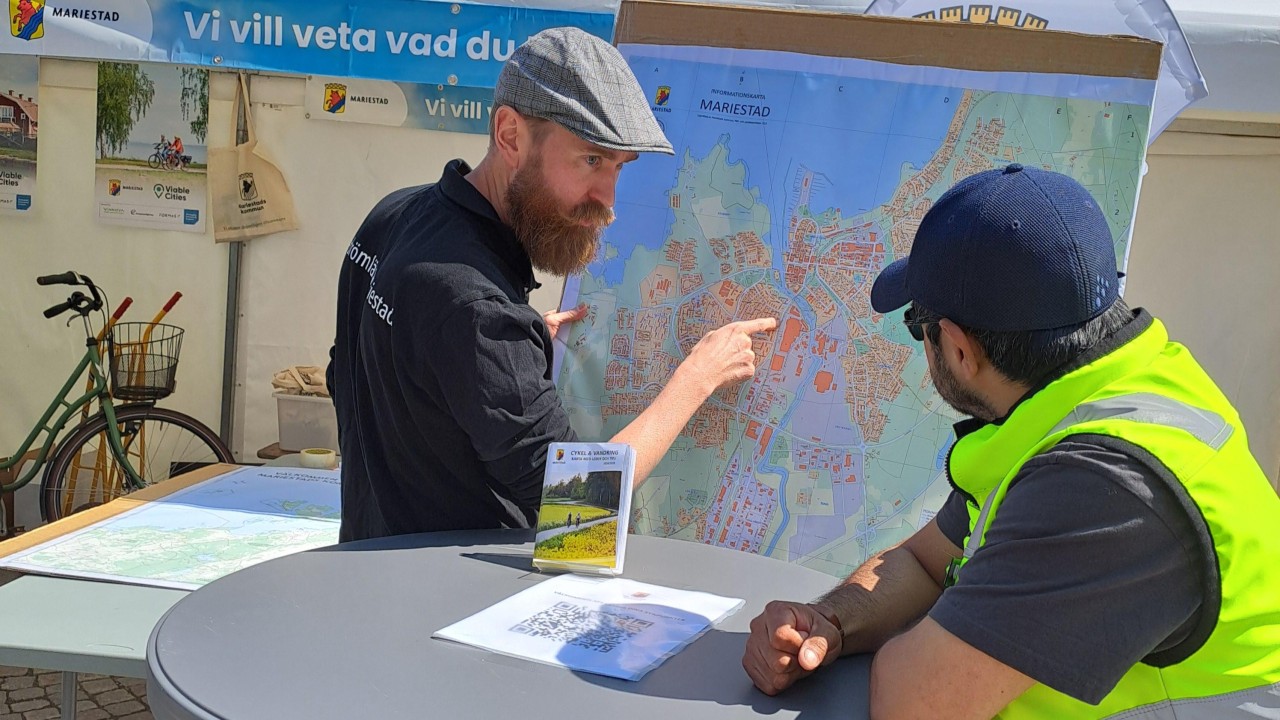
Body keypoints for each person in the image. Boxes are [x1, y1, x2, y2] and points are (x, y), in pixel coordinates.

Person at [742, 164, 1280, 718]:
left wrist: (931, 633)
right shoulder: (1096, 395)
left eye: (916, 326)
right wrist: (832, 621)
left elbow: (914, 703)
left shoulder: (1105, 483)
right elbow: (926, 565)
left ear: (956, 348)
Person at [328, 27, 776, 543]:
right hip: (448, 608)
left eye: (618, 167)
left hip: (370, 564)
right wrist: (697, 377)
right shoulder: (476, 311)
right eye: (590, 159)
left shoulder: (392, 217)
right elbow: (582, 510)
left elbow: (353, 376)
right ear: (511, 135)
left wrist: (482, 365)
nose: (607, 201)